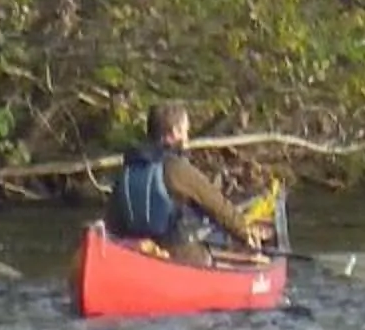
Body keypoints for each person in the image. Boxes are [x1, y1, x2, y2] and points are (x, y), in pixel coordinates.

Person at [105, 103, 270, 258]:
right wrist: (245, 232)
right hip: (175, 252)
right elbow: (218, 206)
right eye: (185, 131)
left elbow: (112, 221)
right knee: (204, 254)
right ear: (175, 132)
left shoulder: (128, 168)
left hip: (134, 251)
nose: (187, 138)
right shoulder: (177, 168)